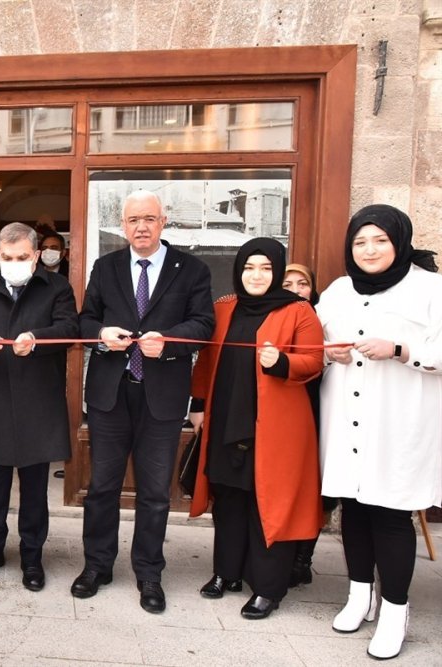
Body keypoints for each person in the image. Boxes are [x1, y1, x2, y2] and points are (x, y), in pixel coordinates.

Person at [75, 189, 214, 613]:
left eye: (149, 219)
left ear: (163, 221)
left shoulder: (191, 269)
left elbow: (204, 324)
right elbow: (85, 319)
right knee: (102, 488)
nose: (141, 227)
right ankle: (97, 565)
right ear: (123, 224)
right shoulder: (106, 266)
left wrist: (169, 343)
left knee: (155, 493)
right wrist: (100, 335)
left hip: (163, 396)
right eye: (133, 219)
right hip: (110, 395)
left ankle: (149, 573)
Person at [316, 204, 441, 660]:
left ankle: (395, 610)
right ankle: (358, 594)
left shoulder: (430, 288)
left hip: (398, 420)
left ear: (399, 241)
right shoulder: (338, 291)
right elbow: (315, 342)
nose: (369, 250)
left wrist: (402, 349)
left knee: (390, 513)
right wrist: (332, 354)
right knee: (353, 507)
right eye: (360, 242)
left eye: (380, 240)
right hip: (345, 415)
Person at [187, 238, 324, 620]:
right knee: (229, 498)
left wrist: (283, 362)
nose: (257, 275)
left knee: (269, 504)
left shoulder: (299, 311)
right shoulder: (224, 307)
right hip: (226, 419)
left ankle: (267, 588)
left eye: (265, 268)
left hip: (275, 427)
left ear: (277, 271)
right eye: (250, 267)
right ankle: (226, 573)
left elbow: (314, 362)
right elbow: (205, 361)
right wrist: (197, 406)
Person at [0, 222, 79, 592]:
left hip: (38, 398)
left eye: (23, 257)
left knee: (33, 486)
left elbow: (69, 329)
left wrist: (37, 338)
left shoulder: (57, 287)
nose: (15, 263)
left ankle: (32, 555)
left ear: (35, 257)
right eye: (8, 257)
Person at [281, 262, 334, 588]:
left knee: (318, 488)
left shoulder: (324, 320)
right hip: (286, 413)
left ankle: (304, 558)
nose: (296, 289)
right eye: (288, 283)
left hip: (322, 408)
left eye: (302, 284)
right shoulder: (271, 317)